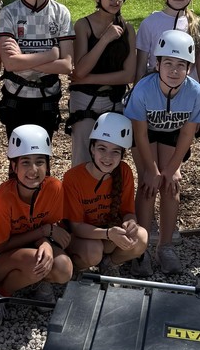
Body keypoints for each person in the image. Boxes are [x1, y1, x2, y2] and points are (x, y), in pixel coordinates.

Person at [124, 29, 200, 276]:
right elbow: (139, 133)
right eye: (167, 63)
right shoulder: (143, 89)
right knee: (149, 185)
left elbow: (187, 134)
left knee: (171, 184)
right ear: (156, 64)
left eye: (181, 65)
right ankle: (141, 249)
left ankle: (165, 246)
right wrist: (151, 169)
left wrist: (171, 169)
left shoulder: (196, 92)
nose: (173, 70)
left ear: (189, 69)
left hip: (172, 132)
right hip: (146, 132)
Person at [0, 125, 72, 301]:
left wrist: (46, 243)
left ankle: (37, 281)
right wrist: (44, 233)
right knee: (35, 261)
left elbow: (47, 226)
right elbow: (1, 246)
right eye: (25, 162)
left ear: (47, 164)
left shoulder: (54, 188)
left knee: (64, 268)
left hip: (30, 248)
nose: (33, 170)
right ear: (14, 166)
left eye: (40, 162)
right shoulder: (3, 200)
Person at [0, 0, 74, 139]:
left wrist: (23, 58)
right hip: (15, 97)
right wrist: (51, 55)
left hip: (47, 98)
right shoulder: (8, 13)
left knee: (43, 157)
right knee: (16, 159)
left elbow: (66, 65)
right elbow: (10, 63)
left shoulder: (60, 12)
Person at [63, 112, 148, 274]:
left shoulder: (124, 172)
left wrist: (130, 223)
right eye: (102, 148)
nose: (108, 157)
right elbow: (76, 227)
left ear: (122, 155)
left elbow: (128, 212)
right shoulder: (73, 178)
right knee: (93, 251)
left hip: (109, 234)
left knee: (141, 236)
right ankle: (79, 269)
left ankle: (108, 264)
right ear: (92, 148)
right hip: (83, 237)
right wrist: (109, 234)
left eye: (115, 151)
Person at [68, 0, 136, 166]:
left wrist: (88, 79)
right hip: (85, 99)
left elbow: (128, 75)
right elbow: (79, 70)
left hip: (114, 99)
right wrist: (105, 39)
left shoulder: (128, 29)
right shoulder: (83, 25)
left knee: (110, 160)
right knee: (83, 158)